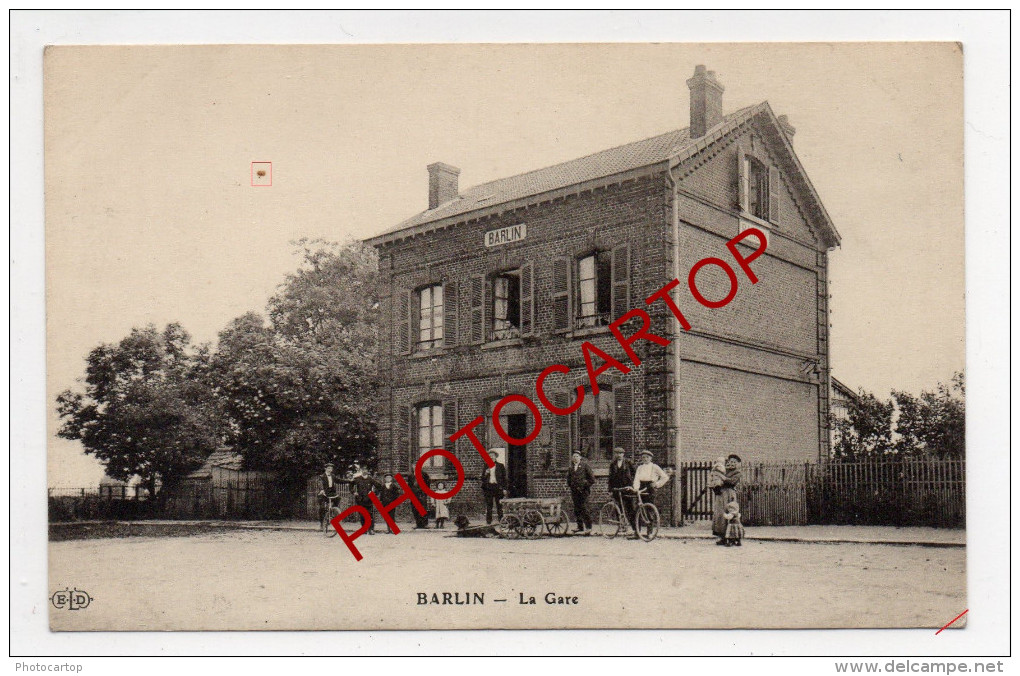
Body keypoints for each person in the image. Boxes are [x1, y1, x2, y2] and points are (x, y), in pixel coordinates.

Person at [711, 454, 743, 541]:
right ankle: (722, 536)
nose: (732, 463)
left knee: (730, 513)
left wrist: (722, 477)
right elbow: (716, 476)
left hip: (729, 494)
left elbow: (732, 482)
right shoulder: (725, 470)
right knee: (720, 514)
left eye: (734, 462)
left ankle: (732, 536)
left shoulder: (738, 472)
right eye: (730, 461)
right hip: (721, 494)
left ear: (738, 463)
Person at [566, 449, 596, 534]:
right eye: (574, 456)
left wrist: (585, 485)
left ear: (580, 457)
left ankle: (589, 527)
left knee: (585, 508)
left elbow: (592, 479)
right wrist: (571, 485)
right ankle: (580, 527)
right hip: (574, 492)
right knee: (577, 509)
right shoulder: (571, 468)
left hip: (583, 492)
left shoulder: (585, 466)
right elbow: (568, 479)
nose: (575, 458)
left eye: (577, 456)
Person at [607, 447, 636, 530]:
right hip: (617, 488)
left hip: (627, 488)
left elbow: (635, 474)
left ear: (623, 454)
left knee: (630, 508)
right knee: (618, 508)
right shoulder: (613, 464)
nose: (619, 455)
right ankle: (621, 525)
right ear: (615, 454)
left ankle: (634, 527)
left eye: (620, 453)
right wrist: (610, 489)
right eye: (617, 453)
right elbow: (610, 477)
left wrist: (632, 485)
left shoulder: (628, 462)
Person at [350, 463, 382, 535]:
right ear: (361, 470)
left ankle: (371, 529)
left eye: (366, 470)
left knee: (370, 515)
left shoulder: (370, 479)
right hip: (360, 500)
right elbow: (351, 484)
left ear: (368, 471)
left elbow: (379, 486)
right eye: (363, 469)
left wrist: (374, 493)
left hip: (368, 500)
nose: (365, 471)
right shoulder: (357, 479)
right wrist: (354, 492)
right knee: (362, 515)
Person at [480, 451, 507, 525]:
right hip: (488, 487)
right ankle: (488, 522)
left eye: (492, 456)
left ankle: (501, 521)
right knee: (489, 506)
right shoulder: (486, 466)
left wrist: (504, 488)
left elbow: (504, 478)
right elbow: (482, 478)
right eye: (489, 456)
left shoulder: (500, 466)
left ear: (495, 457)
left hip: (498, 487)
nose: (491, 457)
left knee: (499, 505)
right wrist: (485, 473)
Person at [317, 462, 341, 528]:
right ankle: (322, 523)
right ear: (325, 469)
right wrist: (322, 489)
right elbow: (320, 483)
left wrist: (349, 481)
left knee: (338, 498)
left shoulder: (333, 476)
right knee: (322, 508)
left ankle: (332, 510)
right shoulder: (321, 476)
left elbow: (339, 480)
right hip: (323, 493)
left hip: (331, 493)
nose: (330, 470)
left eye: (331, 468)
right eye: (328, 468)